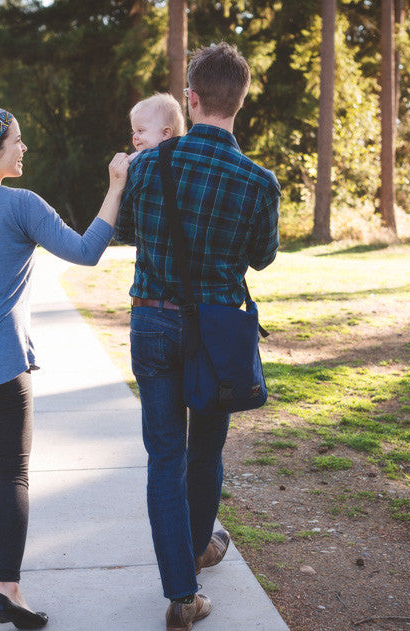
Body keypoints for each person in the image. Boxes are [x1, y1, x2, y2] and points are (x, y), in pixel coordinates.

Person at [0, 104, 128, 629]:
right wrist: (116, 186)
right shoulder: (22, 206)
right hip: (1, 369)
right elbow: (85, 251)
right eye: (15, 139)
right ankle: (7, 591)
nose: (23, 147)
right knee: (10, 474)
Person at [115, 43, 280, 631]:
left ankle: (182, 595)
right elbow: (261, 258)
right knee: (205, 452)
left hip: (153, 321)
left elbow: (126, 228)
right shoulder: (259, 181)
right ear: (240, 99)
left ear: (191, 98)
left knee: (165, 457)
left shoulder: (151, 165)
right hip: (217, 331)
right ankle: (196, 550)